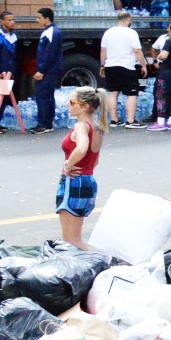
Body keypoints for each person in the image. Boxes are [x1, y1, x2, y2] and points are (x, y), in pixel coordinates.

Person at [56, 87, 105, 245]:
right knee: (75, 239)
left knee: (71, 242)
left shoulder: (81, 126)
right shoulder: (97, 128)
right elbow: (95, 160)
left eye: (72, 102)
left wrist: (68, 164)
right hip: (87, 180)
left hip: (74, 182)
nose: (68, 105)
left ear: (84, 106)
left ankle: (91, 267)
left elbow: (82, 148)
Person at [99, 10, 146, 128]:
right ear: (129, 19)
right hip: (126, 66)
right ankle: (130, 121)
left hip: (110, 66)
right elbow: (137, 51)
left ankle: (114, 120)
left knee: (113, 92)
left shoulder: (108, 32)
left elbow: (103, 50)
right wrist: (143, 65)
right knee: (132, 94)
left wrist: (102, 65)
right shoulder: (131, 33)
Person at [30, 7, 62, 135]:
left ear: (47, 18)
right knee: (47, 96)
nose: (37, 20)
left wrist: (41, 70)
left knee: (43, 96)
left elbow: (49, 54)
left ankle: (44, 123)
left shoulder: (52, 32)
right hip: (49, 70)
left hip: (48, 70)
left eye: (39, 17)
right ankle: (47, 122)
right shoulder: (49, 31)